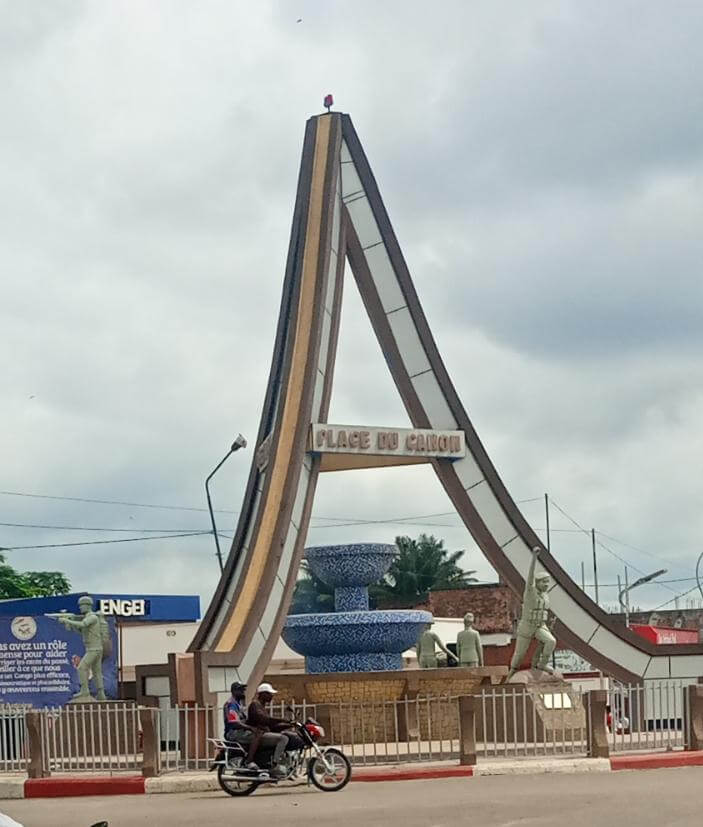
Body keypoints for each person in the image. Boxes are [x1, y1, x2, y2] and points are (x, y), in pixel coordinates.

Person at [506, 546, 556, 680]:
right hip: (527, 626)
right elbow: (529, 578)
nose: (546, 584)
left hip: (540, 626)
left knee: (551, 641)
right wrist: (534, 557)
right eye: (544, 582)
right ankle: (512, 671)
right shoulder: (530, 593)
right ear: (537, 583)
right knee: (520, 653)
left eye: (548, 582)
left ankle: (542, 664)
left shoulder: (546, 596)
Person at [56, 596, 106, 701]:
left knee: (81, 668)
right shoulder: (89, 618)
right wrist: (69, 623)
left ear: (87, 605)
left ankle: (85, 690)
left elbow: (83, 624)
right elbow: (81, 631)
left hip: (94, 649)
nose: (80, 608)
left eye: (81, 606)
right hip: (93, 648)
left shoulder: (92, 617)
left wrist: (67, 620)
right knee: (96, 672)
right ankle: (101, 694)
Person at [247, 682, 292, 777]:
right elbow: (264, 719)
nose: (272, 696)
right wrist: (282, 719)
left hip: (263, 733)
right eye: (270, 694)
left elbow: (271, 725)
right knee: (283, 738)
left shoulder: (261, 706)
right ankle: (275, 765)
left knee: (287, 735)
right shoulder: (255, 705)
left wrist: (288, 725)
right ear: (263, 694)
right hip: (259, 734)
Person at [222, 682, 260, 771]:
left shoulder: (239, 703)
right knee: (258, 736)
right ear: (234, 691)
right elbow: (234, 722)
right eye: (240, 690)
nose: (243, 692)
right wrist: (250, 728)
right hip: (233, 732)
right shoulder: (231, 704)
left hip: (239, 731)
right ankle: (249, 761)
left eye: (243, 690)